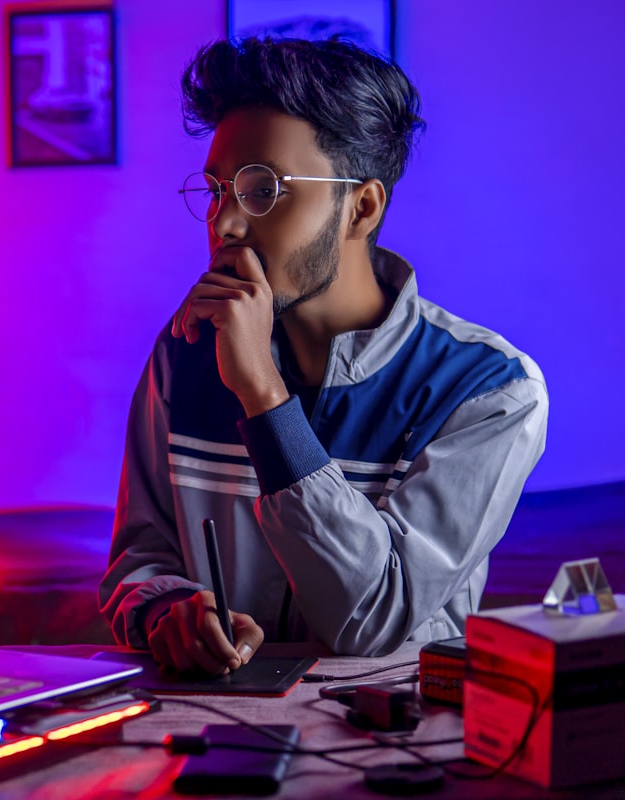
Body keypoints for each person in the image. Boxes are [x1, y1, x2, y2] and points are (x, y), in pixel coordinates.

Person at [98, 36, 548, 674]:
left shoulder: (487, 391)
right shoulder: (185, 356)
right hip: (203, 733)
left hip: (393, 748)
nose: (224, 223)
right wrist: (168, 610)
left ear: (360, 208)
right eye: (218, 189)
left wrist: (262, 395)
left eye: (262, 190)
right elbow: (138, 561)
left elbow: (374, 619)